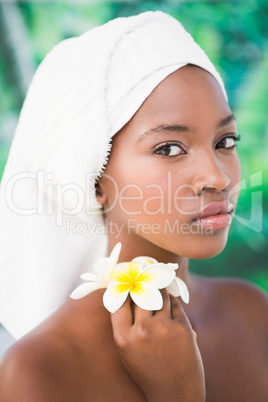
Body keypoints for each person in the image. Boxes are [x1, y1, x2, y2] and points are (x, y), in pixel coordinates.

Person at [0, 11, 267, 402]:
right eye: (169, 148)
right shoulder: (40, 370)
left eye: (225, 142)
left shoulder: (252, 312)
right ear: (93, 182)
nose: (218, 178)